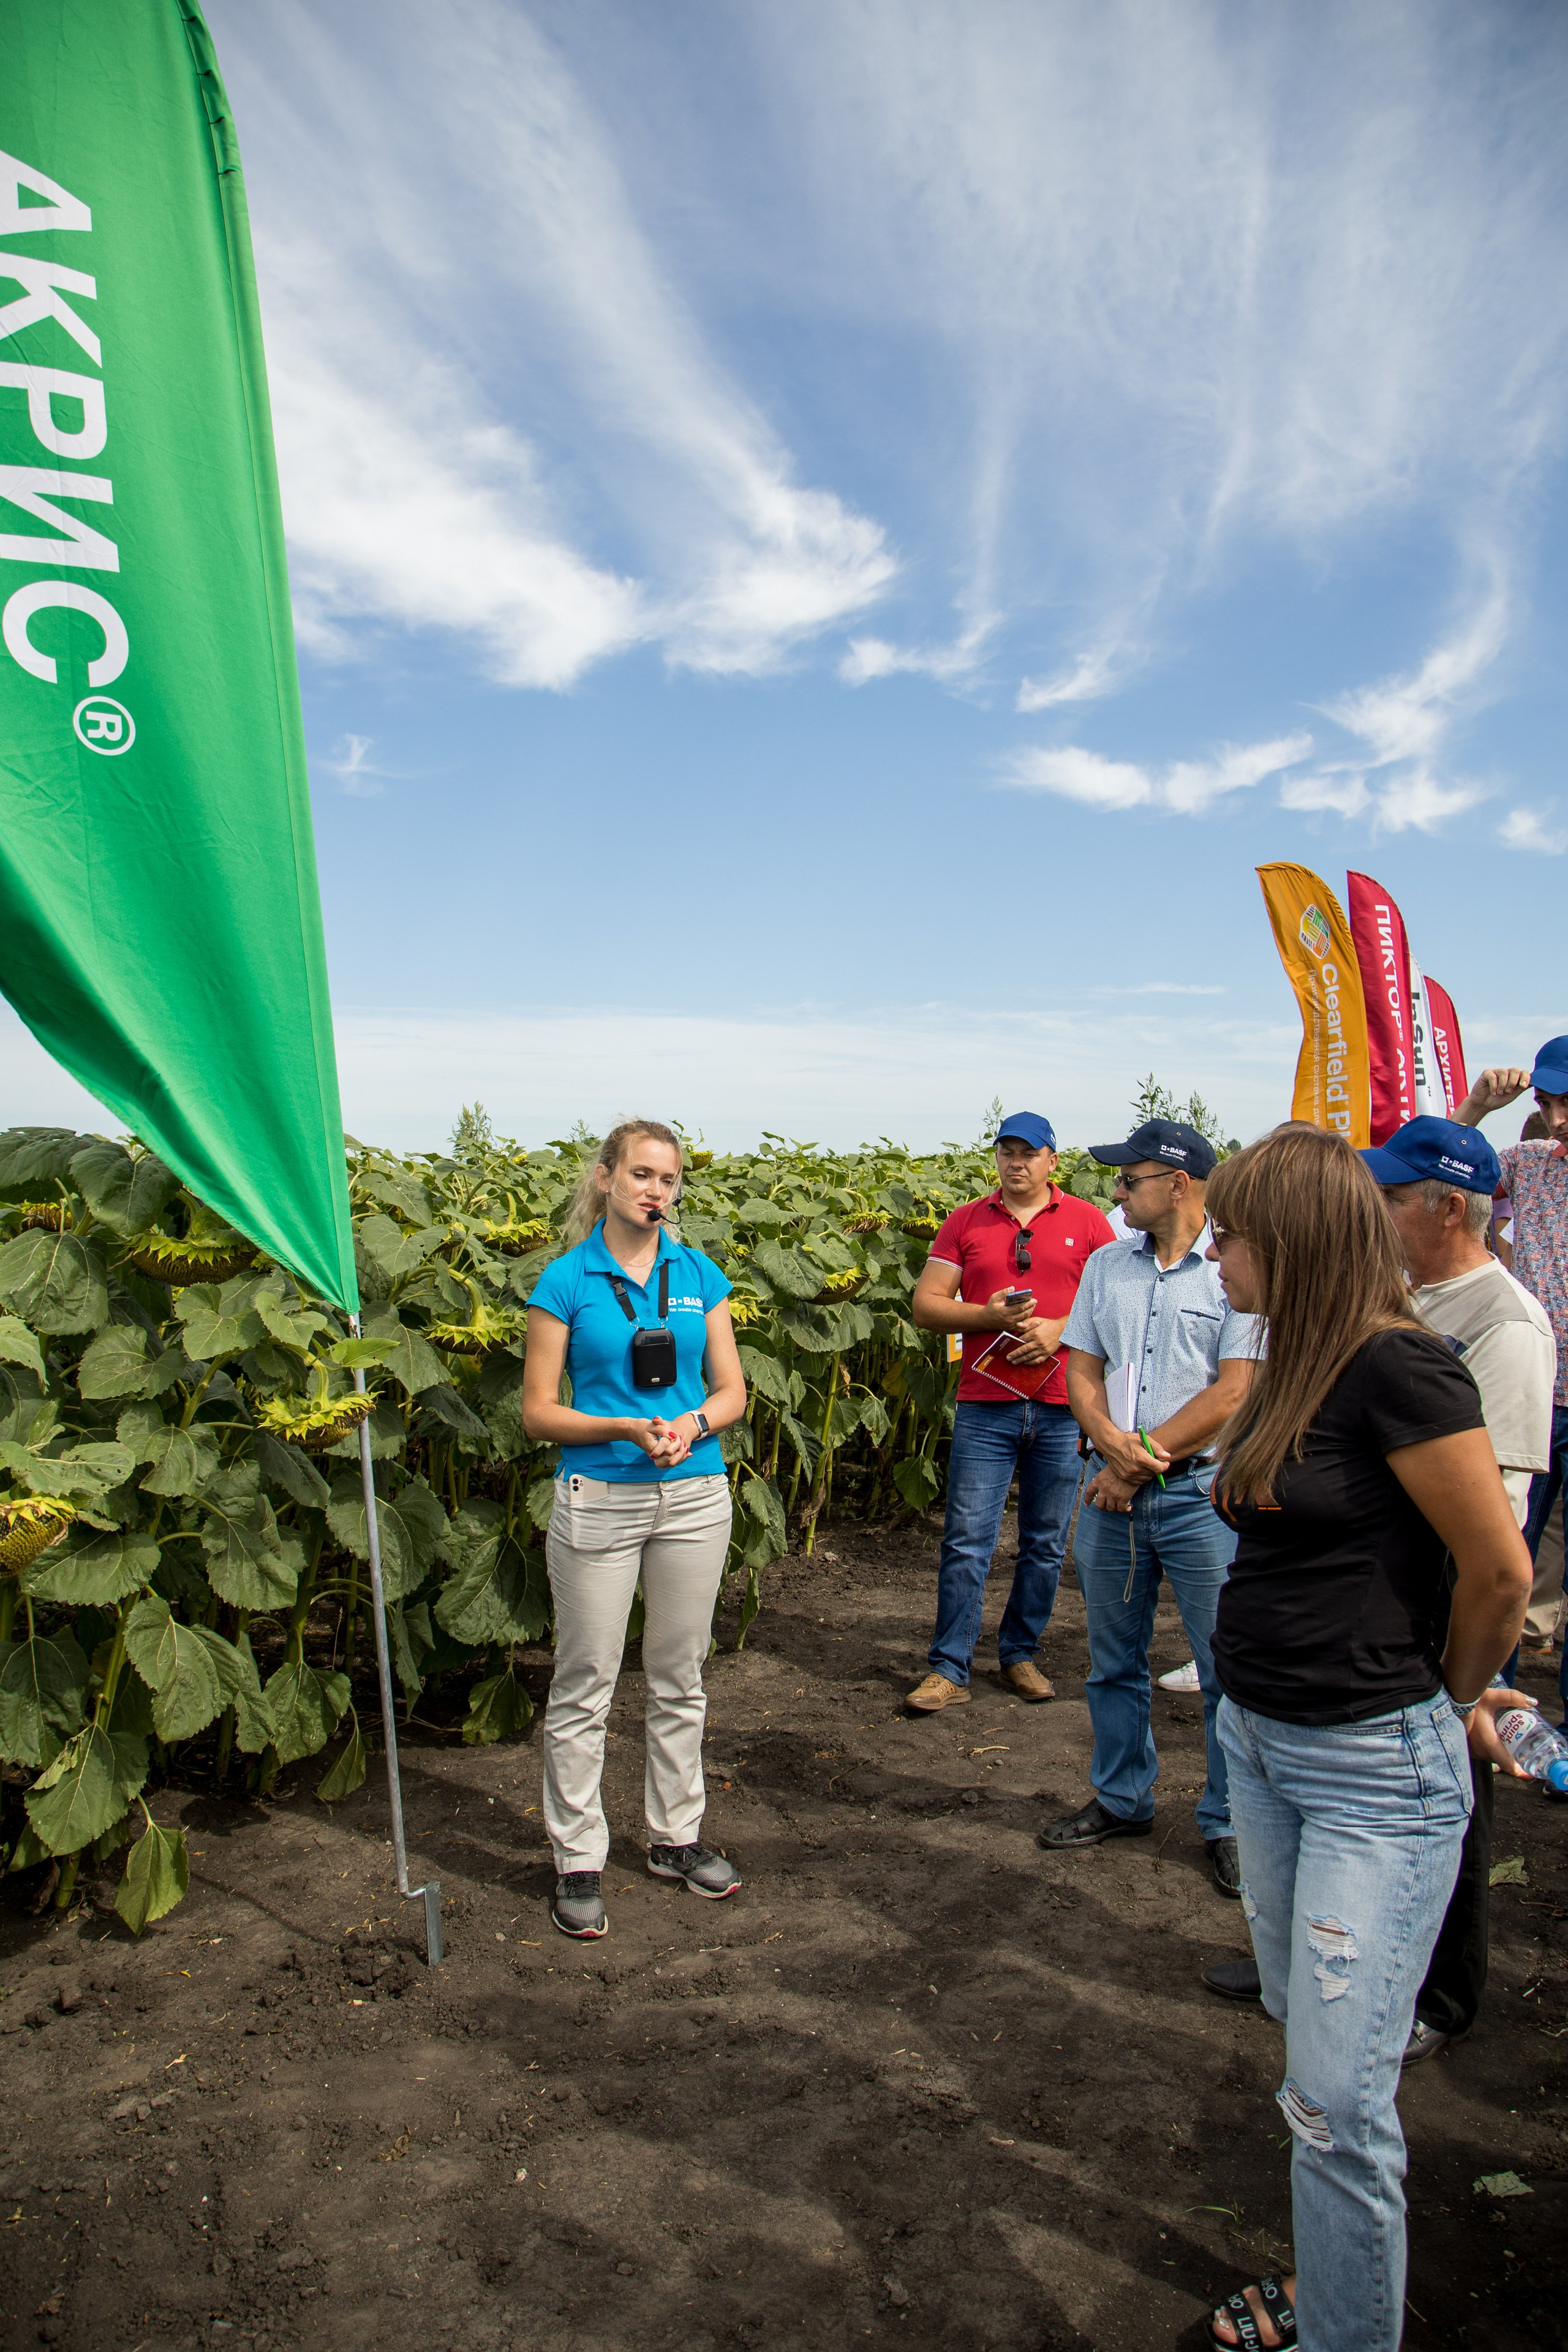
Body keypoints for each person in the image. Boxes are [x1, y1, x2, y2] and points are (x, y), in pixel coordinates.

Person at [1200, 1124, 1531, 2352]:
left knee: (1338, 2098)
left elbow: (1495, 1568)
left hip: (1366, 1772)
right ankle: (1332, 2289)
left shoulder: (1404, 1368)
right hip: (1264, 1748)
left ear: (1284, 1239)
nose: (1213, 1253)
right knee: (1310, 2055)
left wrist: (1448, 1694)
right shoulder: (1294, 1359)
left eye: (1228, 1232)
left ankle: (1348, 2333)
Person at [522, 1119, 748, 1940]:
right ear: (606, 1179)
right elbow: (538, 1411)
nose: (657, 1190)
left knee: (680, 1674)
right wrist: (622, 1428)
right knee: (585, 1681)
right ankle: (578, 1857)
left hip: (693, 1493)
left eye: (669, 1179)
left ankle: (674, 1838)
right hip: (600, 1496)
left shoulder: (699, 1274)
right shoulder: (566, 1281)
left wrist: (692, 1422)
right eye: (642, 1174)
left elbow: (733, 1392)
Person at [1039, 1120, 1261, 1894]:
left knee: (1223, 1667)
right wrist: (1107, 1446)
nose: (1116, 1193)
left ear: (1178, 1183)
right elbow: (1082, 1368)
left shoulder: (1235, 1268)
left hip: (1202, 1495)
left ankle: (1231, 1820)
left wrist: (1133, 1466)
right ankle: (1121, 1797)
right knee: (1112, 1662)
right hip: (1110, 1490)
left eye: (1128, 1180)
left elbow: (1233, 1390)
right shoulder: (1106, 1265)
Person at [905, 1112, 1114, 1711]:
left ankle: (1020, 1654)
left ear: (1053, 1160)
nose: (1016, 1162)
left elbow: (1118, 1305)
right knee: (967, 1540)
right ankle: (950, 1667)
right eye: (1007, 1152)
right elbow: (926, 1305)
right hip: (985, 1406)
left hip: (1062, 1406)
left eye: (1029, 1153)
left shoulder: (1089, 1223)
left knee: (1046, 1542)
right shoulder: (965, 1222)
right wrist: (988, 1317)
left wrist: (1062, 1330)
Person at [1455, 1041, 1568, 1725]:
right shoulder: (1527, 1167)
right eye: (1547, 1105)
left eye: (1567, 1104)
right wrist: (1475, 1107)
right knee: (1504, 1548)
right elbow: (1434, 1176)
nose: (1556, 1119)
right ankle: (1496, 1710)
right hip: (1536, 1394)